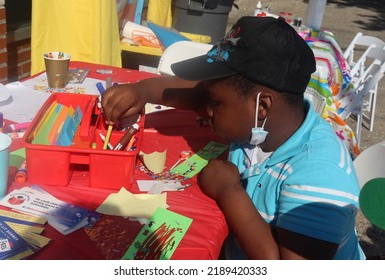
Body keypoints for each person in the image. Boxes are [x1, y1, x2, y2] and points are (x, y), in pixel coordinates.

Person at [102, 16, 365, 260]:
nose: (206, 110)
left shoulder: (321, 175)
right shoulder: (262, 119)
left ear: (262, 107)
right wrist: (141, 91)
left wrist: (229, 191)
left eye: (216, 103)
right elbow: (199, 94)